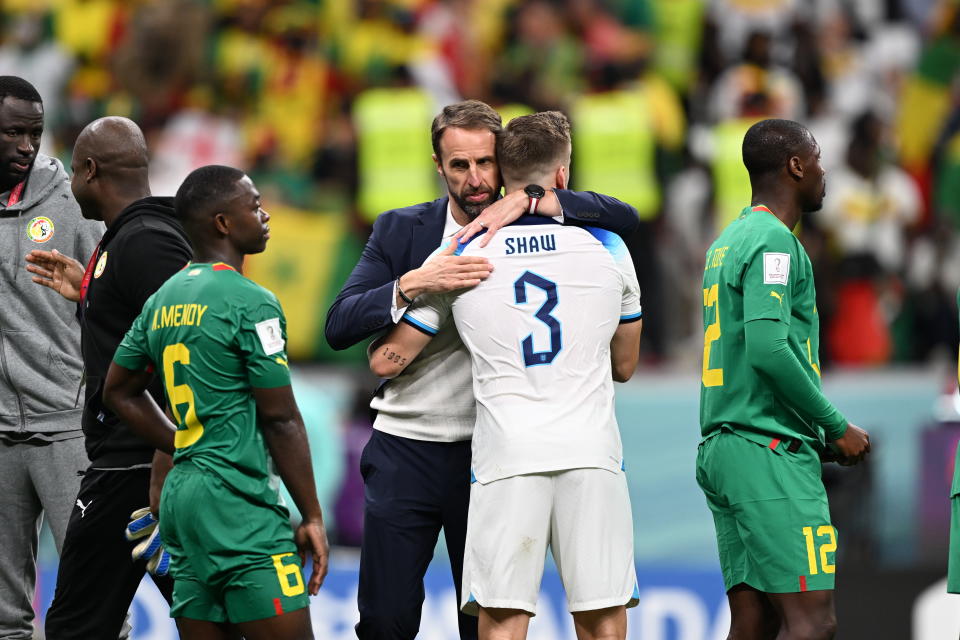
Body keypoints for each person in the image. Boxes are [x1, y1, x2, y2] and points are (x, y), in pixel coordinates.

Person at [324, 99, 640, 640]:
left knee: (488, 619)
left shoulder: (548, 221)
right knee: (385, 619)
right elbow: (340, 325)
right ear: (437, 165)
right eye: (459, 166)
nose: (474, 180)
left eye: (485, 164)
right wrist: (417, 281)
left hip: (489, 447)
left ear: (505, 163)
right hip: (411, 441)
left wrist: (536, 199)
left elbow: (625, 215)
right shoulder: (404, 231)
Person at [103, 165, 328, 640]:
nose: (265, 215)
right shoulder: (251, 300)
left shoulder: (162, 298)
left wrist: (184, 444)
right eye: (255, 205)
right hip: (236, 504)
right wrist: (310, 515)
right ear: (223, 223)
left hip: (182, 499)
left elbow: (118, 390)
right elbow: (281, 417)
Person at [696, 118, 871, 639]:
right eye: (816, 158)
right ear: (796, 166)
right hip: (767, 453)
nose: (823, 171)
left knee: (754, 622)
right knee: (812, 622)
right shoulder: (775, 243)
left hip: (728, 446)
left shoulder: (728, 240)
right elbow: (769, 349)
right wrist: (834, 425)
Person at [26, 116, 192, 639]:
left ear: (90, 171)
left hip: (135, 466)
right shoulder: (129, 240)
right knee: (201, 613)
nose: (71, 185)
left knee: (77, 625)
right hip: (135, 460)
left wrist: (165, 458)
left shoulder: (145, 241)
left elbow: (184, 350)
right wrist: (92, 296)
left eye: (75, 172)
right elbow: (142, 333)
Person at [0, 75, 103, 640]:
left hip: (65, 426)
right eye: (12, 132)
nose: (26, 145)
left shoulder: (69, 203)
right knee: (2, 615)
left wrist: (86, 289)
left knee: (94, 600)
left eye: (34, 133)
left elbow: (116, 296)